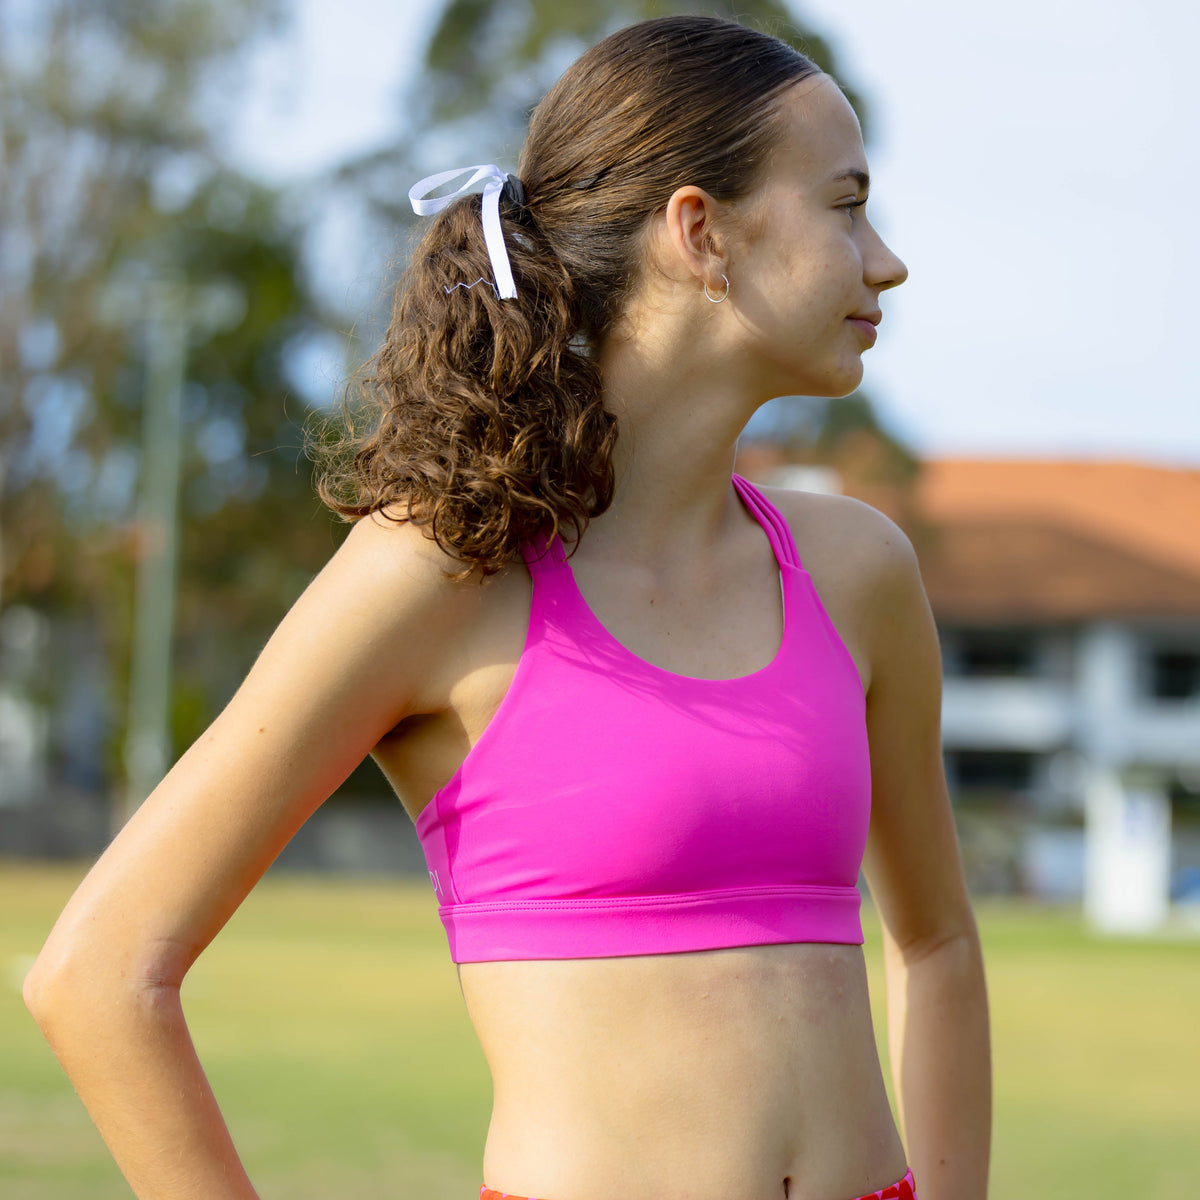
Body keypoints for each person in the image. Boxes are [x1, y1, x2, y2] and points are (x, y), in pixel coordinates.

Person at [24, 14, 991, 1200]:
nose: (884, 259)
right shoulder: (437, 577)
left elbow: (936, 944)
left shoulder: (860, 572)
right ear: (703, 232)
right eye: (846, 204)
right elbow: (100, 972)